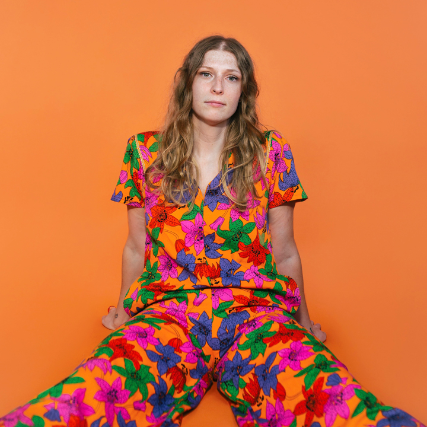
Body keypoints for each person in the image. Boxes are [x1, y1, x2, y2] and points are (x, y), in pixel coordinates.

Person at [0, 35, 424, 427]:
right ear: (188, 83)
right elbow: (136, 245)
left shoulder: (271, 152)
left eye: (231, 77)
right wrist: (125, 311)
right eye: (207, 74)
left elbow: (285, 251)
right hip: (168, 316)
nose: (218, 87)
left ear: (244, 91)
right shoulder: (144, 152)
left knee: (331, 397)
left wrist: (303, 323)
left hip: (255, 316)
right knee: (90, 393)